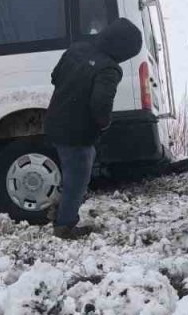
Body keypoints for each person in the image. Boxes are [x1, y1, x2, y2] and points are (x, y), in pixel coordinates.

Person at [43, 17, 143, 239]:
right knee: (78, 178)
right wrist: (104, 123)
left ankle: (61, 209)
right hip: (77, 133)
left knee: (73, 170)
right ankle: (64, 225)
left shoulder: (77, 48)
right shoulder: (110, 69)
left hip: (53, 122)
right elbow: (100, 103)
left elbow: (54, 77)